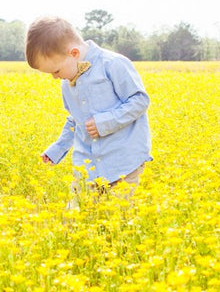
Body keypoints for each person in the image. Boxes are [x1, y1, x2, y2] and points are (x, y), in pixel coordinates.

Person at [26, 16, 152, 199]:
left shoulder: (113, 64)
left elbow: (139, 100)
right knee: (74, 220)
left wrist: (105, 122)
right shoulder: (67, 82)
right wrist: (58, 148)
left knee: (118, 220)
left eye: (56, 71)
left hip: (123, 163)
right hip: (87, 168)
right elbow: (75, 120)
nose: (54, 77)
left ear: (74, 53)